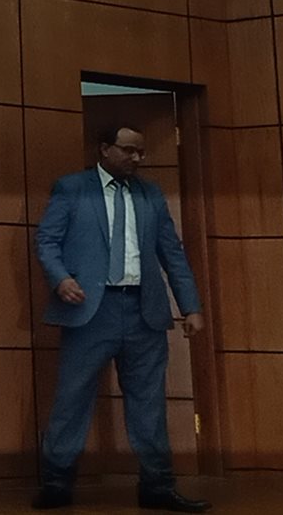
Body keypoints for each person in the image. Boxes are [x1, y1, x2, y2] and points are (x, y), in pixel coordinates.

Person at [32, 125, 210, 513]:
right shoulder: (72, 188)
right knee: (72, 399)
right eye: (128, 150)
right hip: (90, 311)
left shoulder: (150, 194)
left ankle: (158, 485)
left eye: (140, 152)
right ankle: (57, 483)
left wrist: (191, 307)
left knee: (149, 404)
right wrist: (60, 279)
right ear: (105, 149)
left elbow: (172, 253)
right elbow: (46, 241)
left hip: (144, 310)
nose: (136, 158)